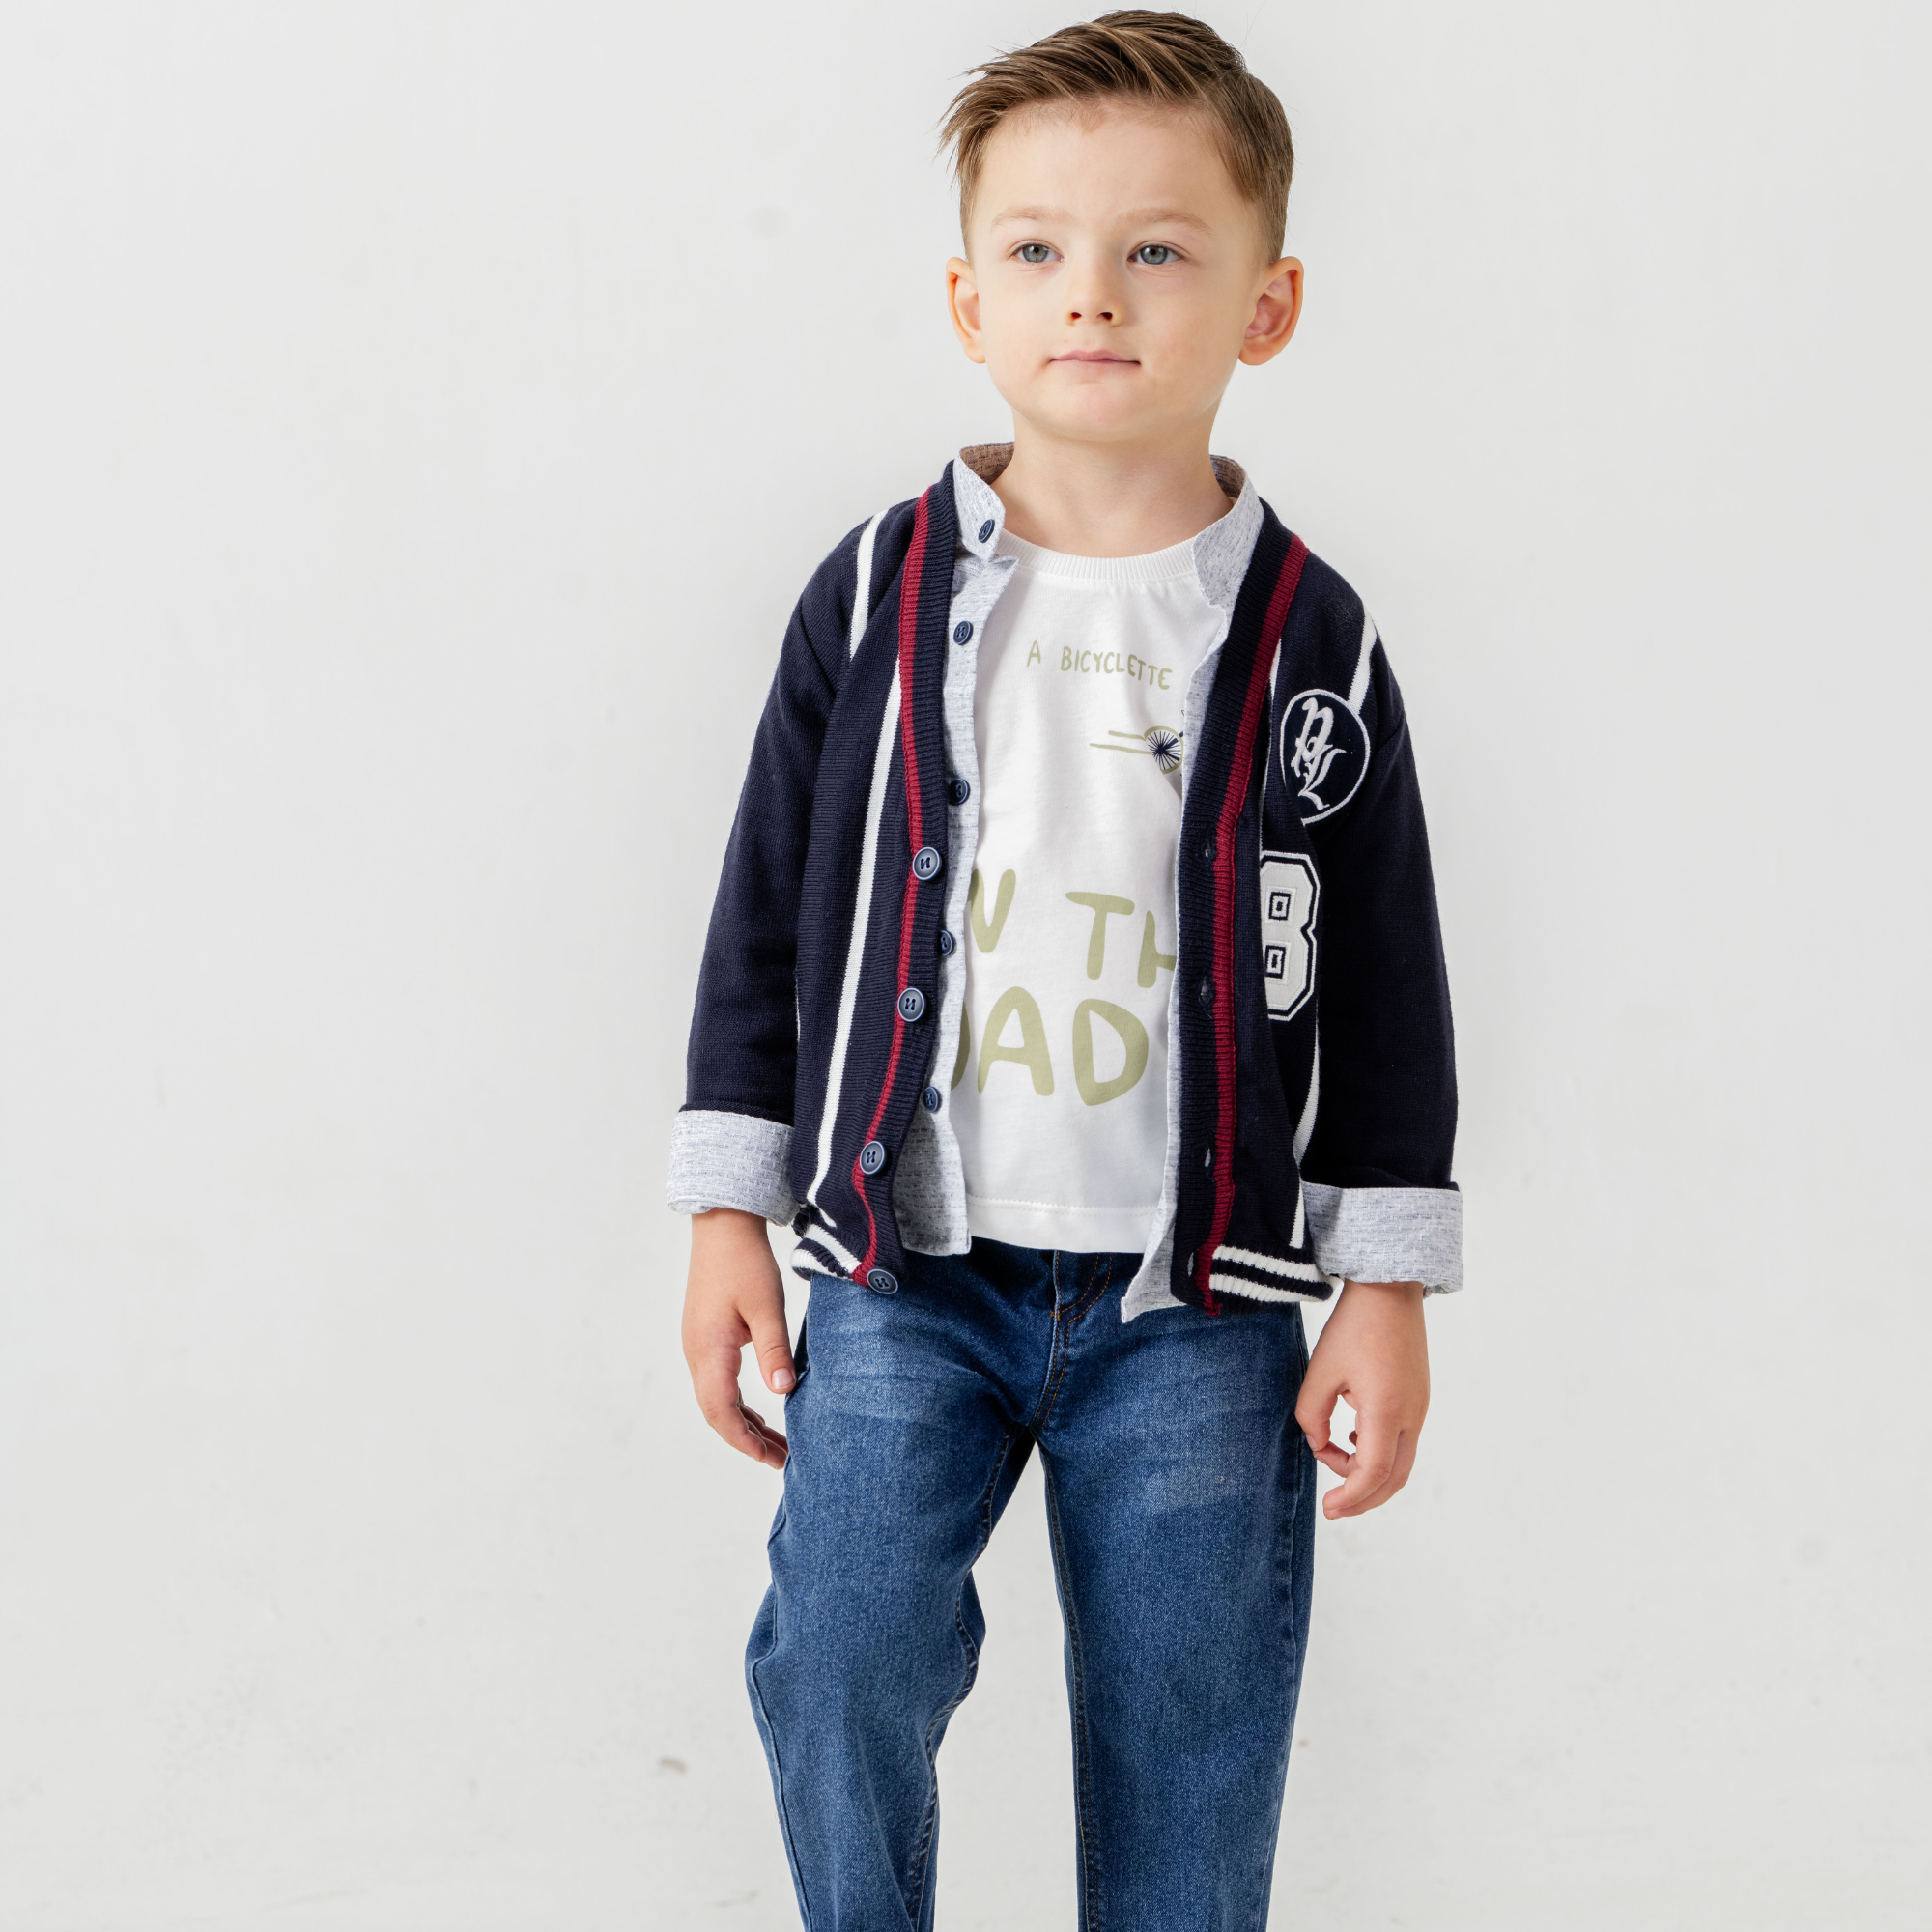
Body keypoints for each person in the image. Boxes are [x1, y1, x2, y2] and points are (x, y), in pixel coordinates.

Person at [668, 12, 1461, 1925]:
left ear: (1266, 306)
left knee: (1192, 1725)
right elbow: (763, 908)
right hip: (902, 1279)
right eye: (1035, 248)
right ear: (968, 300)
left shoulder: (1313, 637)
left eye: (1156, 249)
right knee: (837, 1654)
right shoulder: (872, 595)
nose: (1090, 294)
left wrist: (1384, 1285)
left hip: (1196, 1302)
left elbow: (1387, 978)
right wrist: (724, 1211)